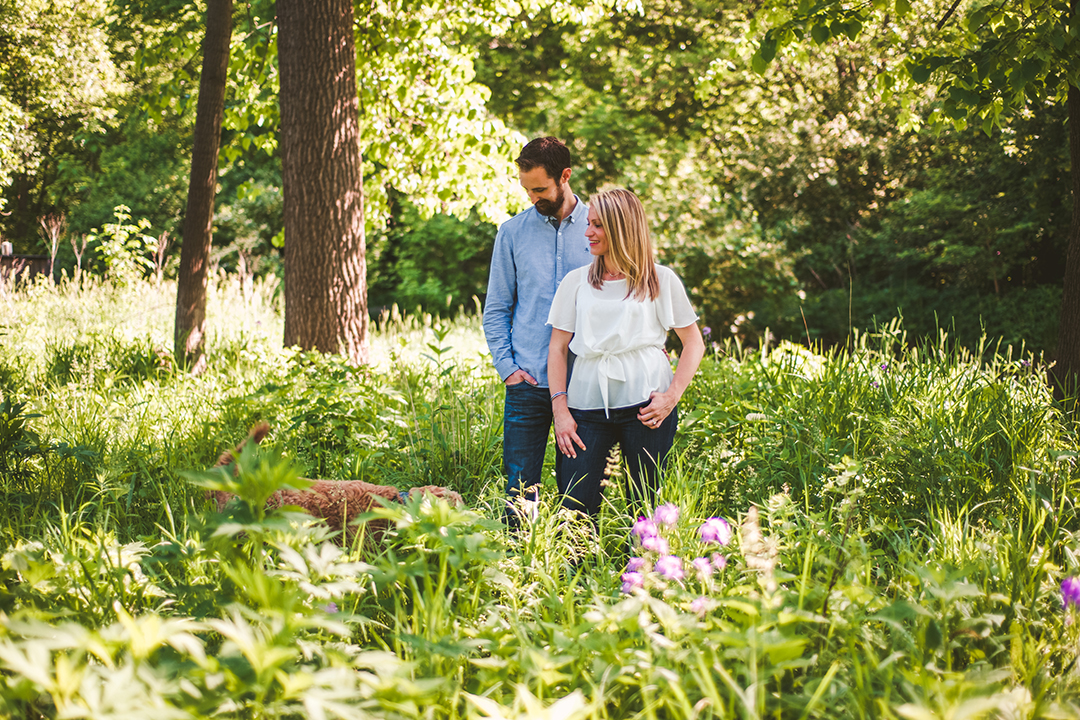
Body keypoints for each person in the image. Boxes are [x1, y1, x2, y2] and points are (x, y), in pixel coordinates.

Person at [546, 187, 705, 519]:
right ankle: (578, 570)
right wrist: (560, 410)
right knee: (574, 508)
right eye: (588, 223)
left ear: (622, 228)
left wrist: (671, 396)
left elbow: (694, 343)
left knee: (646, 507)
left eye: (598, 225)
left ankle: (644, 570)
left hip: (647, 407)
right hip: (585, 409)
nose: (587, 232)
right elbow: (558, 348)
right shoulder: (575, 283)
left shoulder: (661, 280)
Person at [483, 137, 594, 527]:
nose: (532, 197)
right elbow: (496, 308)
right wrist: (507, 368)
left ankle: (574, 573)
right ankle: (517, 573)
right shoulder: (512, 233)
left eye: (540, 189)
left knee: (579, 493)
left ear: (565, 176)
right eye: (526, 188)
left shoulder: (601, 228)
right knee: (518, 494)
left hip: (584, 384)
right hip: (526, 381)